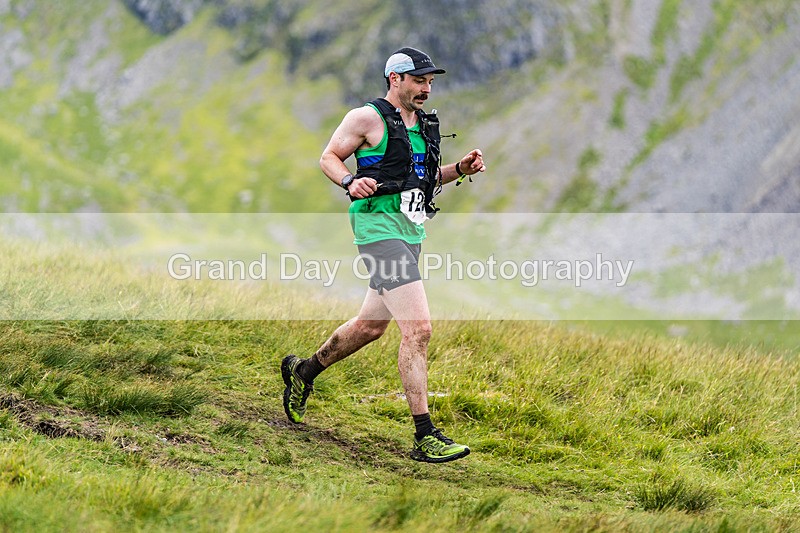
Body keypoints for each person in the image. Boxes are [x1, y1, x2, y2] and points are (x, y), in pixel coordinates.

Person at [281, 47, 486, 463]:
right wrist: (349, 181)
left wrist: (459, 170)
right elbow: (329, 157)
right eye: (419, 81)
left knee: (370, 326)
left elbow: (421, 181)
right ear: (395, 79)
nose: (427, 89)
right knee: (419, 330)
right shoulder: (366, 118)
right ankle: (425, 435)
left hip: (410, 233)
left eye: (430, 82)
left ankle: (303, 371)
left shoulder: (423, 125)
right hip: (377, 231)